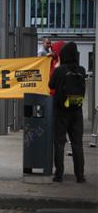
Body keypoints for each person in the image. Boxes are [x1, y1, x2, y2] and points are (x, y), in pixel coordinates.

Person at [49, 42, 86, 183]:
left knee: (59, 143)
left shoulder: (60, 70)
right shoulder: (81, 70)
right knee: (77, 144)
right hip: (77, 111)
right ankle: (80, 176)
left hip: (61, 111)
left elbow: (50, 85)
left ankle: (59, 175)